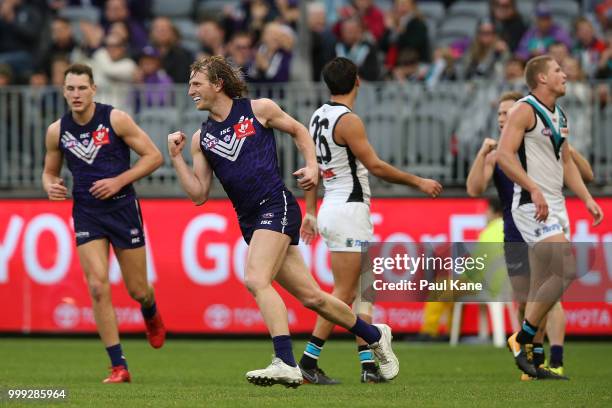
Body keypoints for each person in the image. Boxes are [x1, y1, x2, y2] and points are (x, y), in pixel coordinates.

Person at [167, 55, 399, 387]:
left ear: (217, 84)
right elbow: (199, 193)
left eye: (196, 83)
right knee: (313, 297)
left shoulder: (258, 109)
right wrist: (176, 160)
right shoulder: (201, 139)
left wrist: (311, 165)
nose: (190, 90)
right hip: (250, 221)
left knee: (256, 279)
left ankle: (286, 361)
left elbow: (298, 130)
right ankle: (375, 335)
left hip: (276, 206)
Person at [298, 57, 442, 384]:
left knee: (366, 289)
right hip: (349, 209)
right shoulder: (349, 121)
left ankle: (367, 366)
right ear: (358, 81)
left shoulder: (318, 116)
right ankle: (308, 360)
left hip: (334, 206)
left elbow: (312, 170)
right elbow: (375, 166)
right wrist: (418, 181)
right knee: (344, 293)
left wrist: (310, 210)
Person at [42, 63, 166, 384]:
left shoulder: (115, 119)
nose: (76, 94)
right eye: (70, 88)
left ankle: (150, 310)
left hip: (123, 209)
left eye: (82, 88)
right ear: (64, 91)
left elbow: (154, 157)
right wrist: (49, 184)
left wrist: (118, 181)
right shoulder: (58, 130)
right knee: (97, 286)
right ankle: (118, 366)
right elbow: (49, 170)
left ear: (94, 89)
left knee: (137, 290)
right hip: (87, 213)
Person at [467, 90, 594, 379]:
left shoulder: (543, 146)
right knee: (524, 300)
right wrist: (481, 153)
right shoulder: (499, 154)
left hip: (542, 225)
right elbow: (474, 189)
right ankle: (532, 362)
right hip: (514, 232)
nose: (502, 118)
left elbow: (586, 174)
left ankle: (549, 359)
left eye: (507, 113)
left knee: (547, 295)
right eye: (499, 113)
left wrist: (566, 149)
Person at [496, 55, 603, 378]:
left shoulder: (560, 115)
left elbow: (566, 162)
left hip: (555, 205)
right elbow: (503, 154)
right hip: (531, 203)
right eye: (557, 70)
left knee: (545, 284)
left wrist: (586, 198)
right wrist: (533, 187)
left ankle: (533, 356)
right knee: (566, 266)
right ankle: (524, 337)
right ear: (541, 78)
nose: (564, 74)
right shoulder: (524, 110)